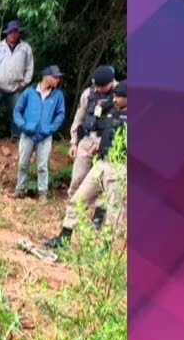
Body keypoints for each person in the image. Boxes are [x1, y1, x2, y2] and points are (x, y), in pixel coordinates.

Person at [44, 81, 127, 249]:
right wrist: (100, 146)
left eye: (119, 97)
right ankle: (64, 238)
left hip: (119, 168)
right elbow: (109, 134)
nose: (115, 99)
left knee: (114, 212)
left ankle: (105, 250)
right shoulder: (114, 113)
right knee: (77, 199)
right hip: (102, 163)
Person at [12, 65, 66, 200]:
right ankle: (20, 190)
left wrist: (50, 129)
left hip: (45, 136)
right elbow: (17, 110)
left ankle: (43, 194)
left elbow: (60, 114)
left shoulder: (58, 95)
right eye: (55, 77)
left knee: (42, 166)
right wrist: (23, 125)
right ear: (46, 77)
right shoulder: (29, 92)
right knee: (23, 163)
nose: (58, 80)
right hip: (27, 133)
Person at [66, 65, 118, 197]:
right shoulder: (88, 93)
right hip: (88, 138)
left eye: (102, 87)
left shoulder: (121, 94)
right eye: (97, 86)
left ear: (111, 83)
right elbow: (79, 117)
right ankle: (73, 203)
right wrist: (74, 142)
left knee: (105, 178)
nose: (99, 89)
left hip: (109, 142)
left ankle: (99, 211)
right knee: (78, 176)